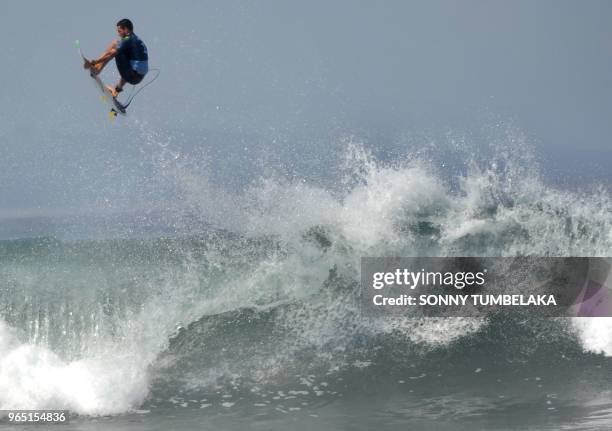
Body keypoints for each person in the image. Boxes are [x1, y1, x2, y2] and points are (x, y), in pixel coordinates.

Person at [83, 19, 148, 98]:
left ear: (126, 29)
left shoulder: (128, 39)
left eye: (119, 31)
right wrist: (118, 88)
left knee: (115, 44)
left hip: (133, 75)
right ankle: (117, 90)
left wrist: (94, 62)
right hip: (138, 77)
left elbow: (111, 54)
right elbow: (132, 66)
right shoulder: (136, 39)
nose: (118, 34)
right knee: (123, 53)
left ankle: (97, 69)